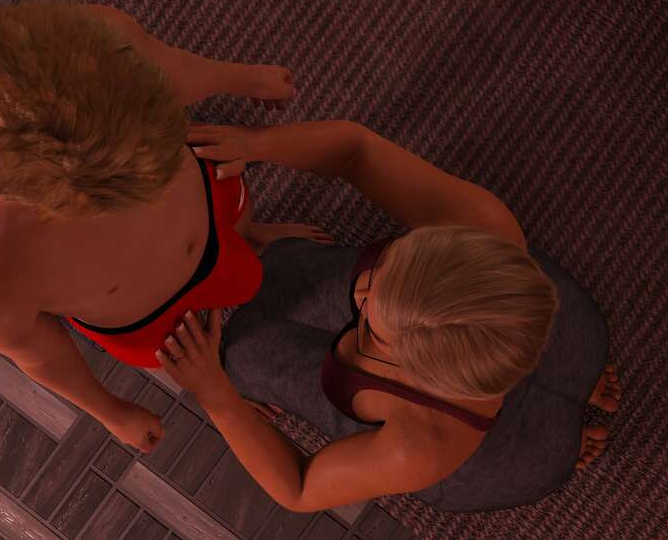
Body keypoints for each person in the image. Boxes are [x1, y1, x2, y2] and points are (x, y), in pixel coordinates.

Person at [156, 120, 624, 512]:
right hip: (510, 327)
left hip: (487, 453)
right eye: (389, 264)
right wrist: (256, 143)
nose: (361, 290)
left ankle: (555, 428)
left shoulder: (423, 447)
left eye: (375, 332)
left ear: (420, 378)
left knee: (242, 360)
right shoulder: (485, 224)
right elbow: (356, 151)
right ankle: (571, 373)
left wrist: (215, 394)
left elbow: (299, 489)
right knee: (288, 269)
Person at [0, 1, 330, 455]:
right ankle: (218, 369)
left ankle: (252, 234)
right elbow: (41, 354)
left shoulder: (100, 40)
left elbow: (176, 70)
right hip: (151, 325)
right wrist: (111, 412)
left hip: (213, 210)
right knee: (193, 358)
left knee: (240, 218)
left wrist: (247, 79)